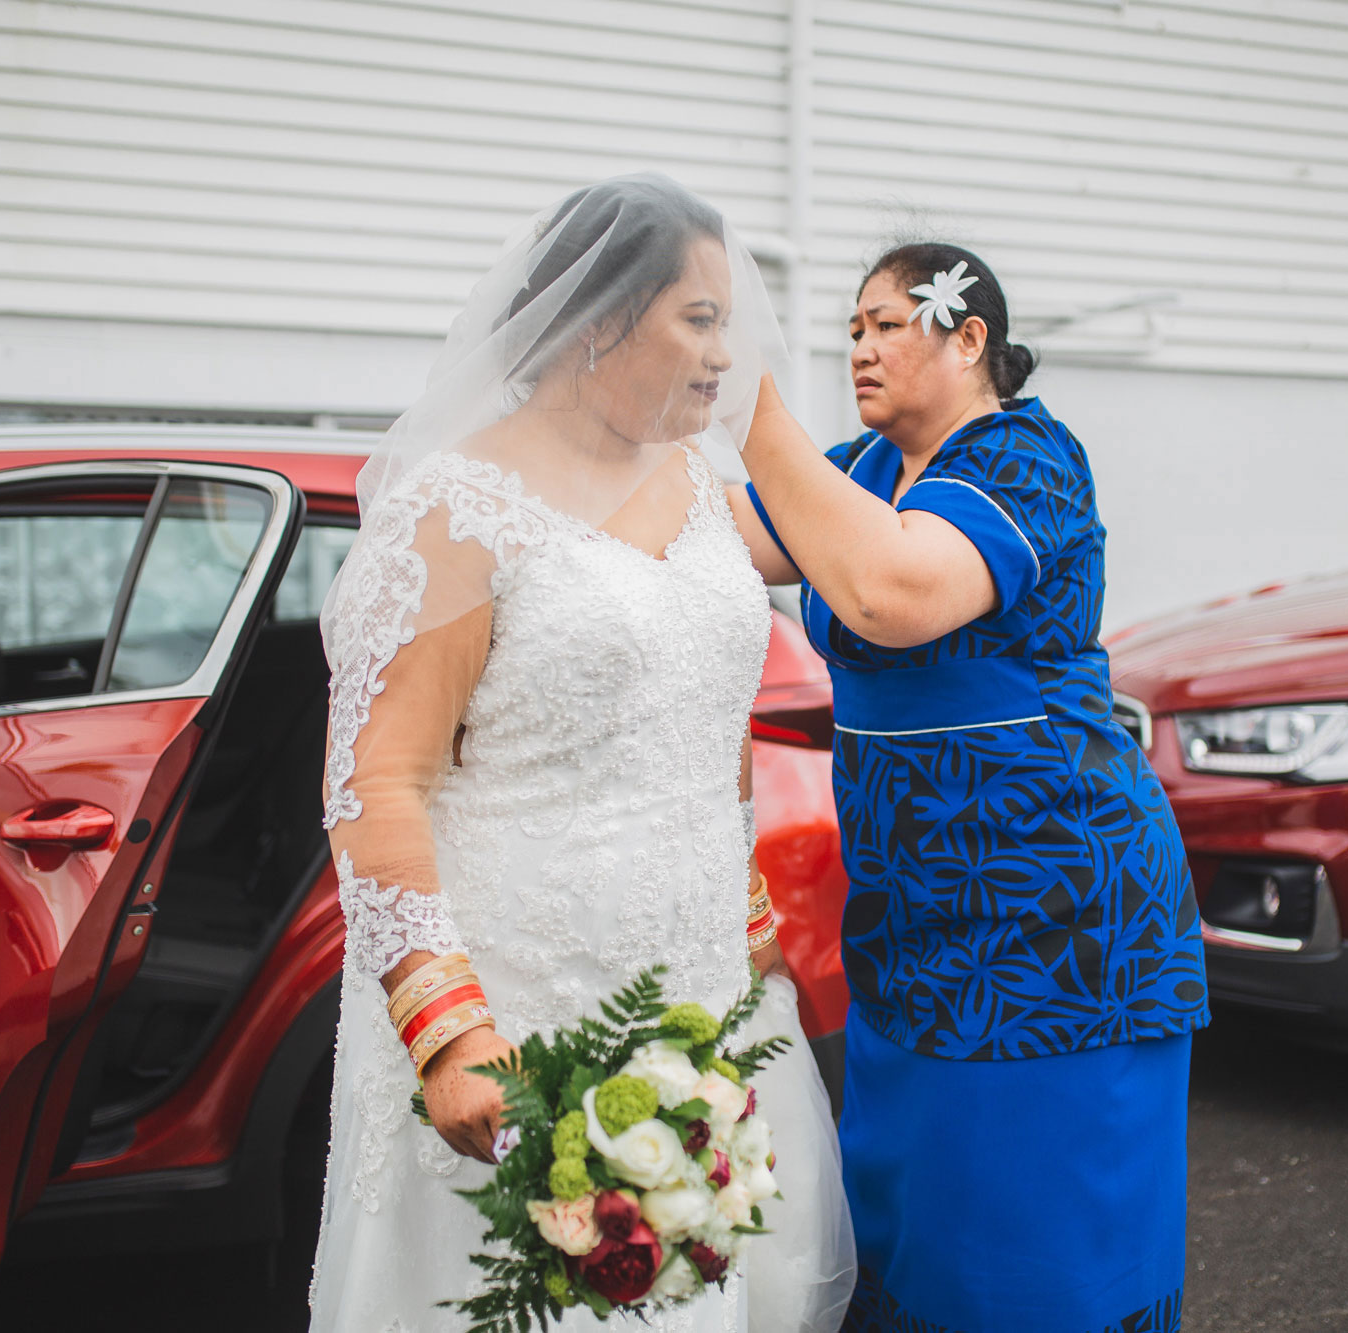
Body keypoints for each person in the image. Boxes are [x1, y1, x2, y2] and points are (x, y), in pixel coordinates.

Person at [311, 174, 853, 1331]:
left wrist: (748, 935)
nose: (727, 355)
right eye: (698, 319)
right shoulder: (455, 509)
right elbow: (377, 783)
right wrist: (448, 1028)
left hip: (693, 994)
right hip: (518, 1010)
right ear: (600, 317)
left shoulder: (702, 496)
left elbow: (709, 728)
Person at [726, 243, 1208, 1331]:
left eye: (885, 323)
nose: (857, 347)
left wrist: (742, 389)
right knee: (913, 1216)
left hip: (1054, 912)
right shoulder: (854, 472)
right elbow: (715, 527)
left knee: (1024, 1239)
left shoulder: (1026, 458)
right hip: (915, 912)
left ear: (969, 338)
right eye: (848, 329)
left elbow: (889, 592)